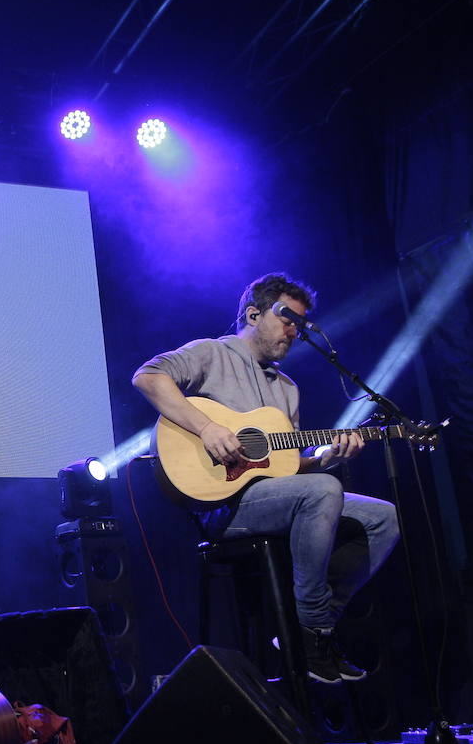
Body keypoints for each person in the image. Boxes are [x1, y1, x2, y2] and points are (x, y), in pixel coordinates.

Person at [132, 272, 399, 683]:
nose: (295, 331)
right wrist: (206, 428)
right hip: (222, 506)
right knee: (325, 491)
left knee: (384, 518)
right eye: (286, 318)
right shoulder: (211, 353)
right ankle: (314, 635)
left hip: (276, 499)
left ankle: (308, 623)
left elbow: (285, 467)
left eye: (300, 324)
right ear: (254, 314)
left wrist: (324, 459)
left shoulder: (288, 390)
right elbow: (147, 377)